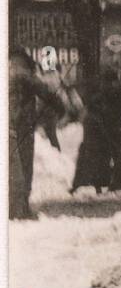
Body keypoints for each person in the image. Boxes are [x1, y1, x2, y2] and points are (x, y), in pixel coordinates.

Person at [8, 48, 64, 219]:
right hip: (23, 125)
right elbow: (45, 92)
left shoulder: (8, 71)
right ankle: (20, 208)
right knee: (24, 166)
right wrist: (59, 107)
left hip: (10, 124)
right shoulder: (24, 73)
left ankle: (14, 208)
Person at [72, 69, 121, 194]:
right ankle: (109, 184)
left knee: (92, 158)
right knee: (108, 157)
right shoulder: (112, 92)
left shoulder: (100, 94)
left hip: (97, 129)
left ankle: (86, 184)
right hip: (104, 129)